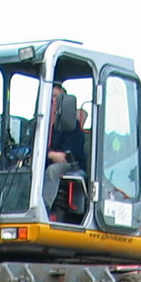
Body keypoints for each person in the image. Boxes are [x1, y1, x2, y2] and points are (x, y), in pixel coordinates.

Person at [43, 83, 87, 216]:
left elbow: (65, 155)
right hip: (46, 161)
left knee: (52, 171)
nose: (52, 101)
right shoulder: (40, 125)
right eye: (50, 97)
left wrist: (49, 155)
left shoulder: (72, 127)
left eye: (56, 97)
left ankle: (44, 209)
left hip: (70, 165)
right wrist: (50, 154)